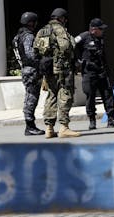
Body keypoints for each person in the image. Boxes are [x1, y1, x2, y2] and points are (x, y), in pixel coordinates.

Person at [34, 8, 80, 138]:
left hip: (47, 69)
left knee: (51, 96)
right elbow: (66, 46)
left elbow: (36, 49)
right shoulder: (59, 30)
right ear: (61, 18)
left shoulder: (42, 30)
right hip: (62, 68)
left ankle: (49, 128)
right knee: (65, 95)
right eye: (65, 19)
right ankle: (64, 127)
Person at [75, 18, 114, 130]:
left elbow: (102, 56)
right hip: (89, 73)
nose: (103, 31)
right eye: (101, 29)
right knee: (90, 96)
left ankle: (111, 119)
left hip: (101, 71)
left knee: (108, 95)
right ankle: (92, 121)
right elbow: (70, 46)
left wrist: (107, 70)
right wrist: (77, 62)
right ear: (93, 29)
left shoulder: (100, 39)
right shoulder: (84, 37)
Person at [13, 12, 45, 136]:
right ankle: (30, 126)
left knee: (29, 97)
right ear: (31, 22)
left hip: (25, 69)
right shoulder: (28, 36)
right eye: (35, 22)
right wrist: (42, 58)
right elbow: (30, 54)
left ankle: (30, 125)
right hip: (32, 70)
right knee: (31, 98)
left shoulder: (17, 36)